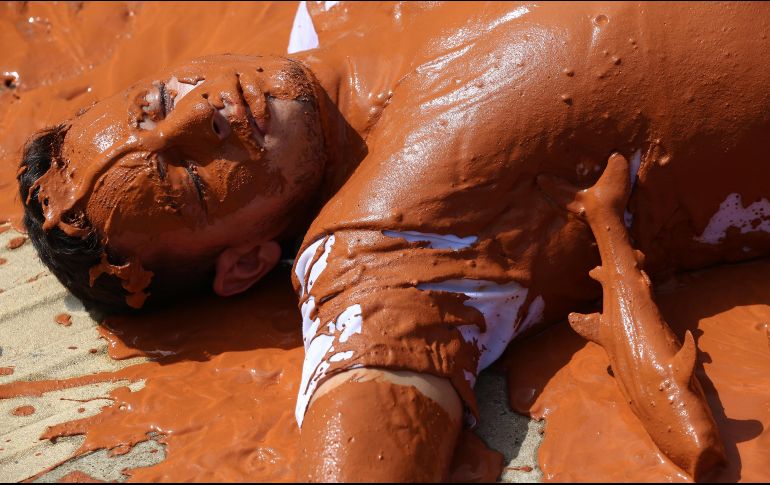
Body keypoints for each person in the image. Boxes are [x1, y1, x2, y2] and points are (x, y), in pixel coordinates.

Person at [17, 2, 770, 481]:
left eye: (159, 101)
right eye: (191, 180)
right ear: (244, 262)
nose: (198, 118)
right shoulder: (378, 244)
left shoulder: (316, 19)